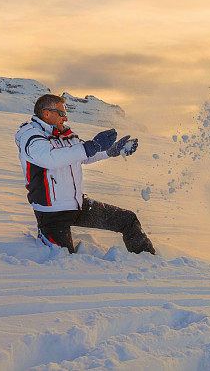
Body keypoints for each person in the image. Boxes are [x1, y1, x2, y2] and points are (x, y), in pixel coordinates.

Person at [14, 94, 155, 254]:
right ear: (46, 113)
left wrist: (112, 150)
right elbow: (50, 158)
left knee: (127, 219)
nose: (65, 118)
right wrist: (89, 147)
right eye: (61, 113)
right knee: (63, 257)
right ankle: (45, 233)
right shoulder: (30, 136)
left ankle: (149, 259)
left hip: (77, 205)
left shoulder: (65, 135)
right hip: (52, 213)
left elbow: (84, 155)